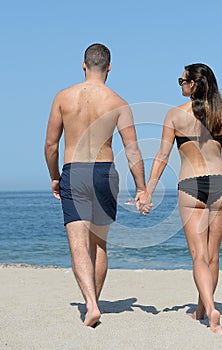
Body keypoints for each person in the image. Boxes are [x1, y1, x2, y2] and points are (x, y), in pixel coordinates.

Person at [135, 63, 222, 335]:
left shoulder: (175, 115)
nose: (180, 84)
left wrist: (148, 190)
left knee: (198, 256)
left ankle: (209, 308)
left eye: (182, 80)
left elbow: (162, 157)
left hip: (190, 185)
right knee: (213, 256)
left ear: (193, 84)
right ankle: (202, 309)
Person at [45, 43, 149, 327]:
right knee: (98, 244)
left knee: (78, 246)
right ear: (109, 68)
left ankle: (90, 304)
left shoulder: (63, 98)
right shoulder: (118, 102)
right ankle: (95, 302)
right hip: (104, 172)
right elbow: (132, 151)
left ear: (83, 65)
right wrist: (141, 187)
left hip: (74, 171)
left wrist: (54, 176)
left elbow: (51, 145)